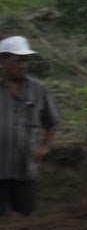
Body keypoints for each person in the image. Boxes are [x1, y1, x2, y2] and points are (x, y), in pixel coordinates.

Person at [0, 35, 61, 218]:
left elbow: (53, 121)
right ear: (3, 61)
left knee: (26, 217)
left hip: (25, 167)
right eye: (18, 60)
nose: (24, 65)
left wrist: (45, 147)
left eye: (26, 60)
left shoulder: (38, 89)